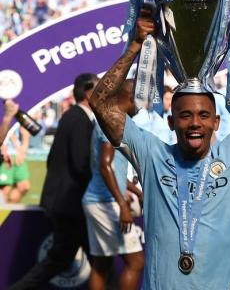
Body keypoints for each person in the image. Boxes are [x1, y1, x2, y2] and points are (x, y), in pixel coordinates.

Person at [89, 9, 230, 289]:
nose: (194, 123)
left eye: (203, 115)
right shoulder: (152, 155)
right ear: (171, 122)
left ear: (216, 121)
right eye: (185, 116)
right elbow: (101, 103)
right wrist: (135, 47)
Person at [9, 73, 98, 290]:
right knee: (70, 260)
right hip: (70, 205)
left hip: (67, 203)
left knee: (95, 260)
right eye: (101, 88)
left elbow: (53, 160)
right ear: (88, 93)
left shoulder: (74, 117)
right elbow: (81, 164)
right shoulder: (79, 119)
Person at [82, 79, 144, 290]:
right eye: (138, 99)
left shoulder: (109, 120)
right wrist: (123, 204)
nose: (140, 105)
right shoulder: (110, 121)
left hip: (96, 199)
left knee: (102, 264)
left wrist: (136, 190)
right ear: (128, 97)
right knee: (135, 262)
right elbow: (105, 166)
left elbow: (112, 170)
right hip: (105, 202)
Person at [0, 126, 31, 203]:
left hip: (18, 153)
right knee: (5, 189)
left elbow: (25, 130)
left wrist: (23, 149)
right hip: (5, 154)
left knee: (24, 186)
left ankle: (9, 211)